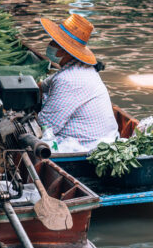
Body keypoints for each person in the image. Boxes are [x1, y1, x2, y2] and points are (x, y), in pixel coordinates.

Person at [37, 13, 118, 151]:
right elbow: (44, 85)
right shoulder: (78, 69)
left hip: (86, 147)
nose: (50, 45)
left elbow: (46, 124)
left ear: (66, 51)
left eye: (54, 43)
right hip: (106, 138)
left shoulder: (69, 79)